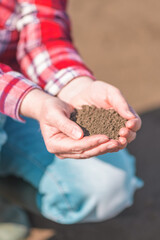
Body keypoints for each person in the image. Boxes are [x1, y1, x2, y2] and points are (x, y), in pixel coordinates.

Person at [0, 0, 143, 239]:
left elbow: (41, 30)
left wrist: (74, 86)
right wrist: (33, 101)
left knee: (106, 188)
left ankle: (6, 189)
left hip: (22, 102)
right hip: (24, 97)